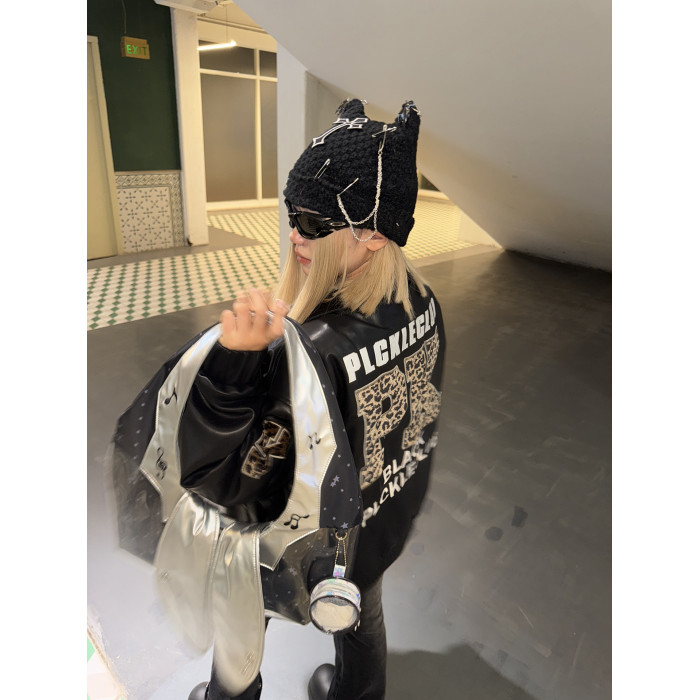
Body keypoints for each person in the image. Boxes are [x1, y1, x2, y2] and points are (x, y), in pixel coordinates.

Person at [183, 98, 446, 700]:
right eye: (292, 213)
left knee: (242, 616)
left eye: (313, 220)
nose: (294, 234)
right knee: (362, 613)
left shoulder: (313, 349)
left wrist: (233, 372)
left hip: (300, 538)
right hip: (375, 524)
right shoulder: (425, 302)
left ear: (373, 232)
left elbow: (236, 479)